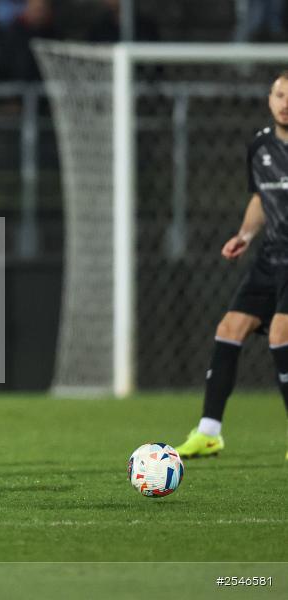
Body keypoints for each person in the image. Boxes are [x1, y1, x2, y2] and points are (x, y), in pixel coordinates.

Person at [175, 72, 288, 460]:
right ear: (269, 99)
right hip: (270, 256)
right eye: (280, 95)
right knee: (229, 329)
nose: (285, 103)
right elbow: (260, 197)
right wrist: (245, 234)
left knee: (280, 334)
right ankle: (209, 433)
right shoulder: (260, 146)